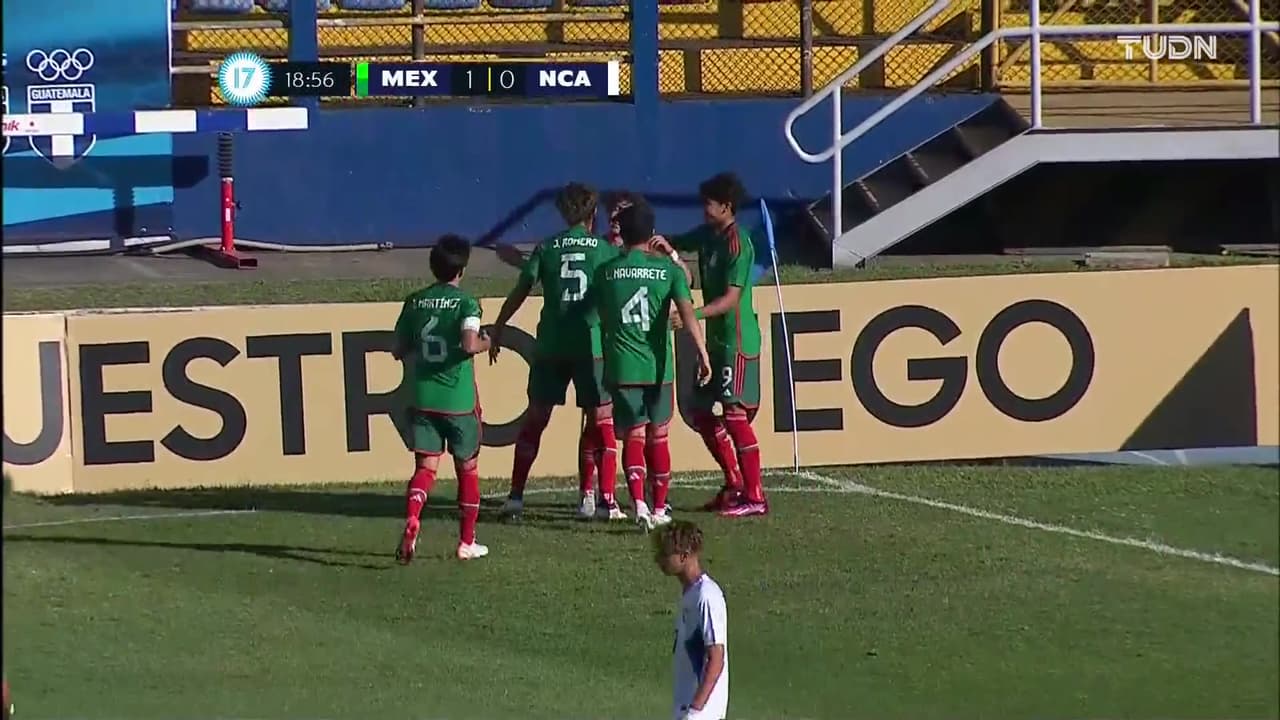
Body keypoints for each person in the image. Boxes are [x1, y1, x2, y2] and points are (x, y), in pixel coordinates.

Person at [490, 183, 624, 521]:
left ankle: (516, 496)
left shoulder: (547, 248)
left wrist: (500, 325)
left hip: (551, 344)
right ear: (593, 214)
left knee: (535, 420)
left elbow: (522, 289)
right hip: (589, 344)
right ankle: (595, 499)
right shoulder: (603, 250)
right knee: (598, 423)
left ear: (564, 214)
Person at [650, 172, 769, 518]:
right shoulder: (707, 235)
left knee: (735, 416)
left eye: (709, 203)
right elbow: (677, 242)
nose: (704, 209)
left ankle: (755, 496)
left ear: (726, 207)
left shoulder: (738, 243)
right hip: (715, 342)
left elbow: (732, 299)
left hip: (736, 340)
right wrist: (661, 245)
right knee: (700, 412)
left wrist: (692, 315)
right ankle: (733, 483)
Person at [593, 199, 712, 530]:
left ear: (623, 233)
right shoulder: (668, 271)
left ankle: (640, 506)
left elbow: (594, 310)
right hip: (660, 368)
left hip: (622, 366)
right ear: (652, 233)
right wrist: (702, 352)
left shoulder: (606, 271)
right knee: (658, 437)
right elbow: (687, 311)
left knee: (634, 435)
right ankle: (660, 507)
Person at [393, 234, 492, 563]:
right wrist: (487, 342)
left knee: (425, 468)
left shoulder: (414, 302)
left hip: (423, 398)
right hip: (458, 401)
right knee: (468, 469)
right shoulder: (467, 303)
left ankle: (413, 516)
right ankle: (466, 542)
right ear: (461, 269)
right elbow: (467, 344)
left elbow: (398, 349)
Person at [653, 521, 730, 720]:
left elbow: (716, 658)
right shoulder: (690, 594)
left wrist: (695, 711)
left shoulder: (706, 596)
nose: (658, 559)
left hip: (702, 714)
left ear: (684, 556)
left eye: (665, 553)